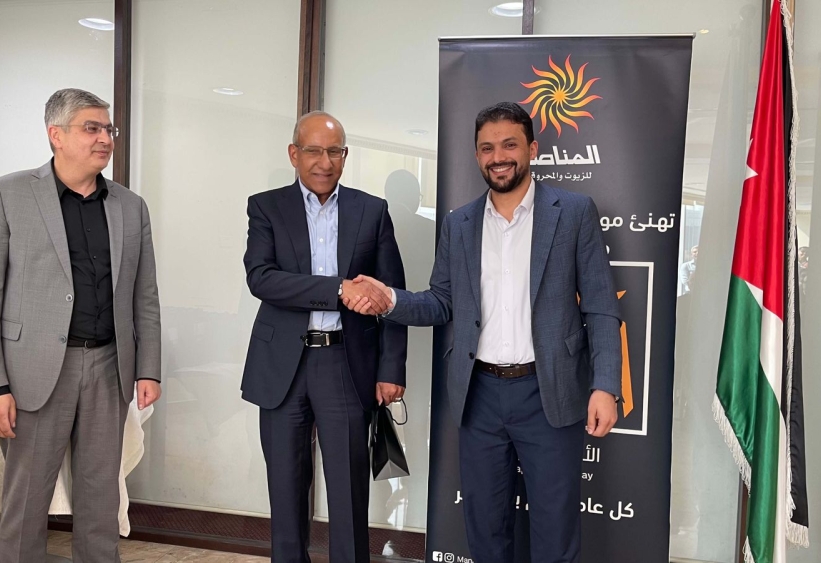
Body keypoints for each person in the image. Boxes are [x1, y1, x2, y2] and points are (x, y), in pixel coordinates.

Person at [347, 102, 622, 563]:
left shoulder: (573, 212)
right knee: (485, 529)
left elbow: (600, 306)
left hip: (550, 393)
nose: (499, 157)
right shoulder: (459, 223)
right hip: (480, 396)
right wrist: (389, 299)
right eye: (487, 148)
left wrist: (605, 386)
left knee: (555, 532)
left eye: (509, 145)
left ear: (532, 149)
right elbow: (441, 301)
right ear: (477, 156)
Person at [0, 88, 162, 562]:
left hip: (109, 367)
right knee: (27, 500)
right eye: (92, 128)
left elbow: (145, 295)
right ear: (56, 135)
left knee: (101, 499)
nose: (105, 139)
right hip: (32, 372)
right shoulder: (7, 193)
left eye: (108, 129)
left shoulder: (130, 206)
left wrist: (148, 368)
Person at [241, 111, 408, 562]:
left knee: (349, 492)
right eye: (313, 150)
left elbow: (393, 297)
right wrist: (338, 289)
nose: (324, 161)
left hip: (345, 365)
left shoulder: (371, 211)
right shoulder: (266, 207)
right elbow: (262, 278)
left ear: (345, 155)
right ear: (294, 154)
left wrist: (391, 368)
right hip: (283, 367)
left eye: (334, 151)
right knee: (286, 489)